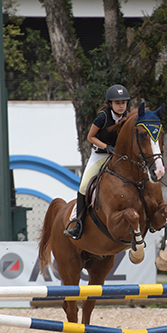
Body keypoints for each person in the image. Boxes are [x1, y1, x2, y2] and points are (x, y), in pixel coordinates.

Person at [64, 84, 130, 240]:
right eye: (117, 103)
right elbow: (90, 137)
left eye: (123, 103)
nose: (121, 106)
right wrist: (107, 147)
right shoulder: (103, 117)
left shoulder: (127, 117)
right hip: (100, 155)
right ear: (110, 104)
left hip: (119, 157)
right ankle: (78, 223)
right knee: (84, 186)